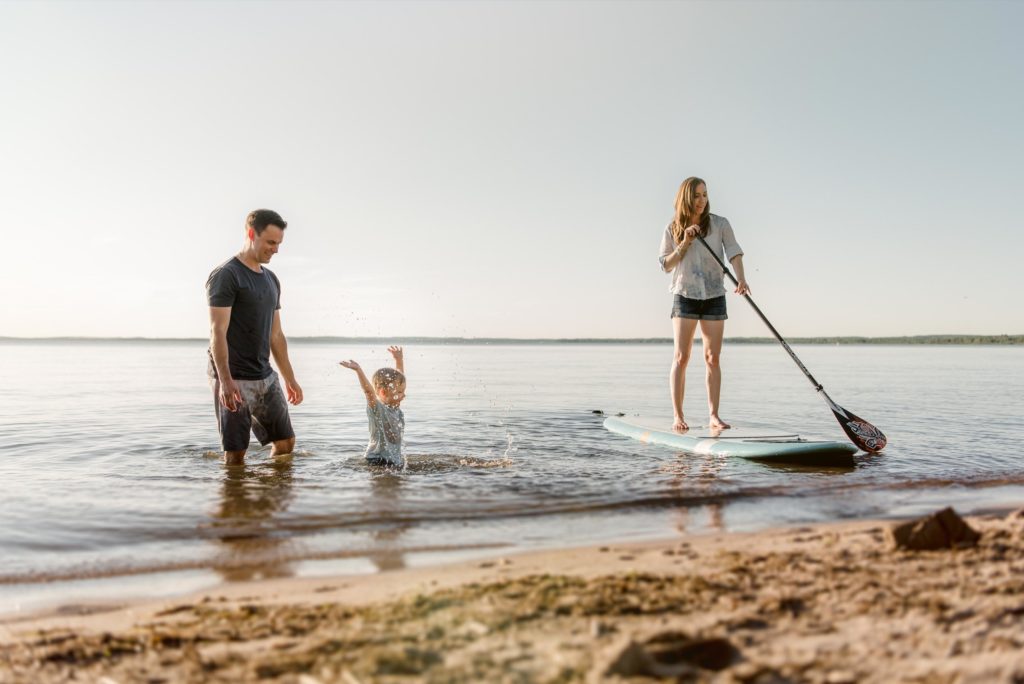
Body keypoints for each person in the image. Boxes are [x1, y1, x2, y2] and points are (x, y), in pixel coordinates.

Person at [206, 209, 303, 465]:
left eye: (279, 244)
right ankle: (236, 500)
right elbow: (217, 332)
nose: (276, 250)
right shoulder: (227, 275)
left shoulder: (271, 280)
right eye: (271, 242)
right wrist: (225, 381)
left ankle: (266, 497)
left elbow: (277, 334)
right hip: (234, 377)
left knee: (285, 442)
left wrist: (289, 378)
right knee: (236, 454)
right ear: (251, 234)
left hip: (265, 376)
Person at [658, 177, 749, 432]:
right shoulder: (672, 228)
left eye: (705, 195)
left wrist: (741, 278)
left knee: (712, 358)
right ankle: (678, 416)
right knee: (681, 356)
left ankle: (714, 415)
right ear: (686, 198)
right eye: (697, 196)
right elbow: (665, 265)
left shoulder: (719, 224)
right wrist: (685, 241)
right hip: (685, 295)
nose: (702, 201)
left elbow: (734, 252)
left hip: (713, 295)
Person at [339, 346, 407, 468]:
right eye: (399, 392)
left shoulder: (395, 408)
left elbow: (398, 379)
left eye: (403, 391)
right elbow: (369, 392)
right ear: (383, 392)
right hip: (376, 459)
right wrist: (358, 370)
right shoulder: (378, 409)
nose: (404, 395)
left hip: (392, 460)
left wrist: (399, 360)